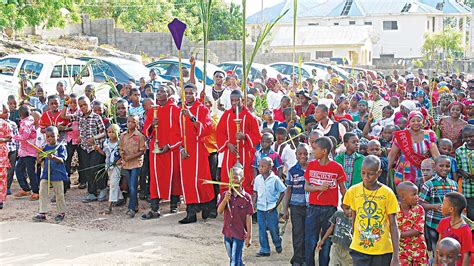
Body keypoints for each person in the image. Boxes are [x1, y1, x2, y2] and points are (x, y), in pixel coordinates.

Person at [343, 155, 400, 266]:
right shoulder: (353, 191)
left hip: (382, 250)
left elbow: (393, 224)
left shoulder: (387, 193)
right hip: (359, 248)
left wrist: (396, 256)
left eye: (370, 174)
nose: (366, 177)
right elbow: (354, 216)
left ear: (379, 173)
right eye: (363, 173)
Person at [304, 136, 347, 266]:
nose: (312, 152)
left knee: (327, 241)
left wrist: (347, 205)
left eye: (315, 149)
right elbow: (306, 187)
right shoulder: (311, 165)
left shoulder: (337, 167)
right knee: (310, 241)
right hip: (313, 208)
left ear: (324, 151)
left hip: (330, 210)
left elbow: (343, 188)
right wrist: (319, 188)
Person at [141, 86, 182, 219]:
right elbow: (146, 131)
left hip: (171, 149)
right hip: (156, 148)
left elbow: (180, 131)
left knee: (174, 175)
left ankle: (174, 203)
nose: (159, 93)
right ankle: (154, 208)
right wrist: (152, 125)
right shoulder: (153, 111)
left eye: (162, 91)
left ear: (169, 93)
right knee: (155, 178)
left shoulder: (176, 110)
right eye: (157, 91)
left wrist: (170, 145)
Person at [178, 83, 215, 224]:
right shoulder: (180, 110)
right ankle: (190, 212)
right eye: (185, 93)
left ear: (195, 93)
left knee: (201, 179)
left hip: (198, 148)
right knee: (187, 181)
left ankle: (206, 205)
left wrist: (192, 117)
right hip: (185, 150)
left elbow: (207, 129)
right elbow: (176, 132)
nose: (188, 96)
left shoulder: (202, 109)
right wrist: (181, 148)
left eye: (190, 93)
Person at [62, 96, 106, 203]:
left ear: (90, 104)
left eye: (85, 104)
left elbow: (104, 132)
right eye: (80, 105)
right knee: (87, 170)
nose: (83, 107)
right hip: (84, 148)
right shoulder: (79, 116)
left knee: (95, 169)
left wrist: (94, 138)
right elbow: (64, 116)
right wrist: (65, 104)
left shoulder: (96, 117)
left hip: (95, 148)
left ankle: (102, 189)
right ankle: (92, 193)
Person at [217, 90, 262, 194]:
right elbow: (219, 133)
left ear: (242, 100)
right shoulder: (226, 116)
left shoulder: (250, 117)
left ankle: (244, 203)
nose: (234, 103)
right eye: (232, 100)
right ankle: (227, 203)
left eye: (237, 100)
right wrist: (227, 144)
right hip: (230, 152)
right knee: (227, 177)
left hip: (244, 152)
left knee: (244, 177)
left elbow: (257, 136)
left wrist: (245, 136)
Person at [419, 155, 459, 254]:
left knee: (449, 249)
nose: (444, 168)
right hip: (434, 223)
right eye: (441, 166)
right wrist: (435, 206)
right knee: (436, 249)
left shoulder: (454, 184)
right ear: (435, 168)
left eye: (447, 166)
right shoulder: (429, 184)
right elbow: (420, 203)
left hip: (450, 224)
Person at [388, 111, 440, 186]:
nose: (416, 123)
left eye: (419, 120)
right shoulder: (402, 136)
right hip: (405, 171)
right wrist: (387, 172)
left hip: (423, 170)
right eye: (413, 121)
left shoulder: (429, 135)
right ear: (409, 122)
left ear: (423, 121)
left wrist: (439, 168)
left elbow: (436, 155)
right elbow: (392, 155)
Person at [217, 167, 253, 266]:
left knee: (233, 262)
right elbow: (219, 211)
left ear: (242, 179)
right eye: (231, 178)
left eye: (236, 178)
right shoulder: (225, 194)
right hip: (227, 233)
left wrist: (249, 236)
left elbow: (248, 218)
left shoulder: (246, 198)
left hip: (239, 234)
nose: (233, 180)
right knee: (234, 258)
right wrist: (225, 200)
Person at [281, 143, 310, 265]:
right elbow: (288, 190)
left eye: (305, 153)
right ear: (296, 155)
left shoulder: (312, 169)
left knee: (308, 233)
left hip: (310, 207)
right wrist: (285, 209)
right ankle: (298, 258)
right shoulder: (293, 170)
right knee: (297, 232)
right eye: (300, 154)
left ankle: (306, 258)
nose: (303, 156)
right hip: (296, 207)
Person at [32, 126, 67, 222]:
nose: (50, 138)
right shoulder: (45, 147)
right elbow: (39, 161)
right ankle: (42, 212)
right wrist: (39, 157)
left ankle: (61, 212)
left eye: (52, 136)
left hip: (57, 173)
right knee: (42, 191)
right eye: (48, 137)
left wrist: (54, 157)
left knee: (59, 193)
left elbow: (62, 160)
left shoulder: (61, 147)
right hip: (46, 173)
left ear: (58, 136)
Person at [253, 157, 286, 257]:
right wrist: (253, 203)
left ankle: (277, 242)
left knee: (273, 229)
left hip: (271, 209)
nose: (260, 168)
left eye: (263, 166)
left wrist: (276, 204)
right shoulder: (258, 179)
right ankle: (265, 249)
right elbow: (255, 192)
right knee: (262, 229)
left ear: (270, 167)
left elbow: (283, 191)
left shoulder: (275, 179)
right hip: (260, 208)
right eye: (259, 166)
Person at [396, 181, 429, 265]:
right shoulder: (394, 210)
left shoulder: (419, 209)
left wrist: (397, 235)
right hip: (402, 251)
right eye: (414, 194)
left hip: (419, 250)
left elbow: (417, 230)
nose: (417, 197)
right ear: (403, 197)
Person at [119, 115, 146, 218]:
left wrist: (130, 157)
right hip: (126, 164)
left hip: (136, 163)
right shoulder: (123, 135)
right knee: (130, 186)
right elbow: (121, 148)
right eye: (128, 121)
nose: (130, 123)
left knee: (133, 186)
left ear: (137, 124)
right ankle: (135, 205)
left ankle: (130, 209)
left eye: (133, 122)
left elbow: (142, 151)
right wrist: (122, 155)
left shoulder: (139, 136)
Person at [435, 192, 472, 266]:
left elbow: (466, 255)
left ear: (451, 209)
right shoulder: (443, 222)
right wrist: (435, 263)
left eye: (443, 204)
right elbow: (438, 244)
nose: (441, 206)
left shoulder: (465, 230)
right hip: (442, 263)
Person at [13, 106, 38, 200]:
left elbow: (25, 136)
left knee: (30, 172)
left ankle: (35, 192)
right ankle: (26, 189)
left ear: (20, 115)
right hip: (24, 152)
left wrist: (14, 137)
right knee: (19, 169)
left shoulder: (25, 123)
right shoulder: (29, 120)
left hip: (29, 152)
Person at [95, 124, 122, 214]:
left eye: (112, 132)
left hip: (117, 166)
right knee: (114, 183)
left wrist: (120, 160)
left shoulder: (120, 142)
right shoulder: (106, 142)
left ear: (117, 133)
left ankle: (109, 206)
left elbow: (124, 154)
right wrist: (98, 150)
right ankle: (121, 198)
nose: (110, 134)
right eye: (109, 132)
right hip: (108, 165)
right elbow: (105, 154)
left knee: (113, 184)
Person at [455, 125, 474, 220]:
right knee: (471, 213)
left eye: (471, 136)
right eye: (466, 137)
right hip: (468, 187)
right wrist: (464, 173)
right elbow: (458, 168)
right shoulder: (459, 151)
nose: (469, 139)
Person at [0, 111, 12, 209]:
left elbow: (9, 138)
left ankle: (0, 200)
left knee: (2, 178)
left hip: (2, 156)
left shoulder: (4, 124)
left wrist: (1, 140)